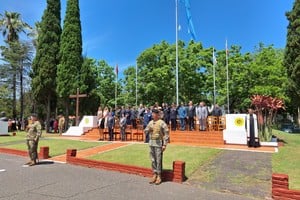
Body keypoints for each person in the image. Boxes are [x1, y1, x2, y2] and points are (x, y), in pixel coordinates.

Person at [144, 109, 169, 185]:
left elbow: (166, 134)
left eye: (154, 114)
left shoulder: (162, 123)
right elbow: (145, 131)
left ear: (157, 115)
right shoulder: (150, 122)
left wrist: (164, 144)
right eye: (152, 114)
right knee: (152, 160)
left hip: (158, 144)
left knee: (158, 160)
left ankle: (159, 176)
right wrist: (148, 130)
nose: (152, 115)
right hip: (151, 143)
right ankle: (154, 174)